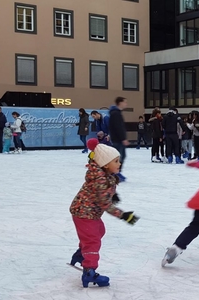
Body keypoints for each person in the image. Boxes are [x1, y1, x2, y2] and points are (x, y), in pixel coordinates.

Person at [69, 138, 139, 288]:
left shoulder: (104, 174)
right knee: (93, 241)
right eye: (116, 161)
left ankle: (81, 254)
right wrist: (123, 215)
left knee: (100, 231)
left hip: (88, 212)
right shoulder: (100, 179)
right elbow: (105, 204)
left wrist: (113, 195)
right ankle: (89, 271)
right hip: (84, 214)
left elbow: (105, 193)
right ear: (106, 164)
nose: (119, 164)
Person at [108, 97, 129, 181]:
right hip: (117, 139)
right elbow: (118, 127)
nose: (126, 104)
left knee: (120, 156)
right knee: (119, 157)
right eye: (125, 102)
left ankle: (116, 172)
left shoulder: (116, 113)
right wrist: (123, 138)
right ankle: (115, 173)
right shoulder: (116, 113)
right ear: (120, 103)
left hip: (117, 138)